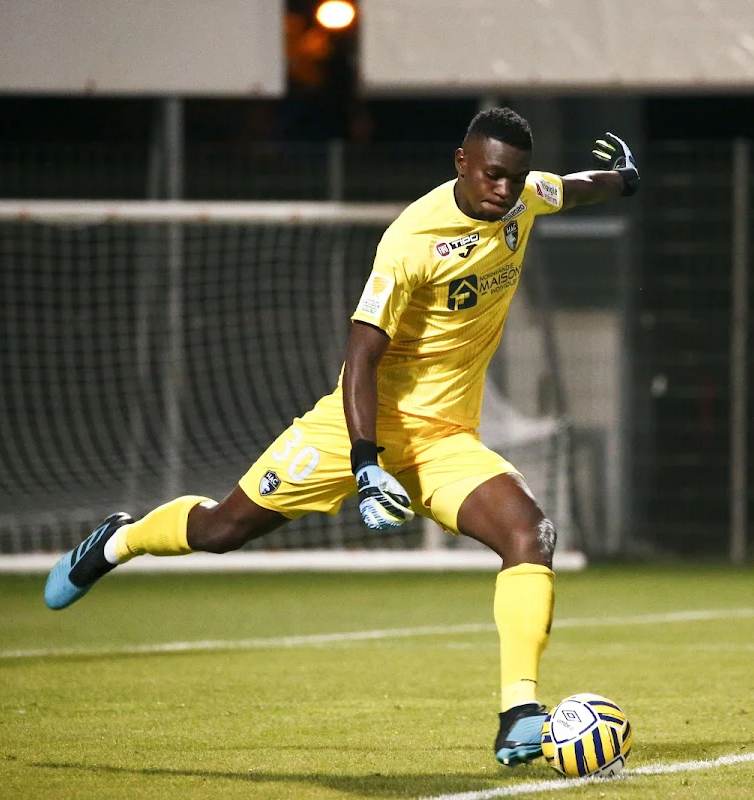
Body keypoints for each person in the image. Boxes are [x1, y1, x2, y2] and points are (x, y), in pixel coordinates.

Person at [43, 108, 640, 767]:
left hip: (445, 442)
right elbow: (362, 359)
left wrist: (623, 178)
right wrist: (364, 465)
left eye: (516, 177)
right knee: (222, 529)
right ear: (462, 163)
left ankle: (520, 714)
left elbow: (576, 186)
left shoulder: (526, 197)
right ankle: (119, 539)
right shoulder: (412, 239)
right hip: (350, 429)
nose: (505, 190)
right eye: (494, 175)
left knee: (531, 534)